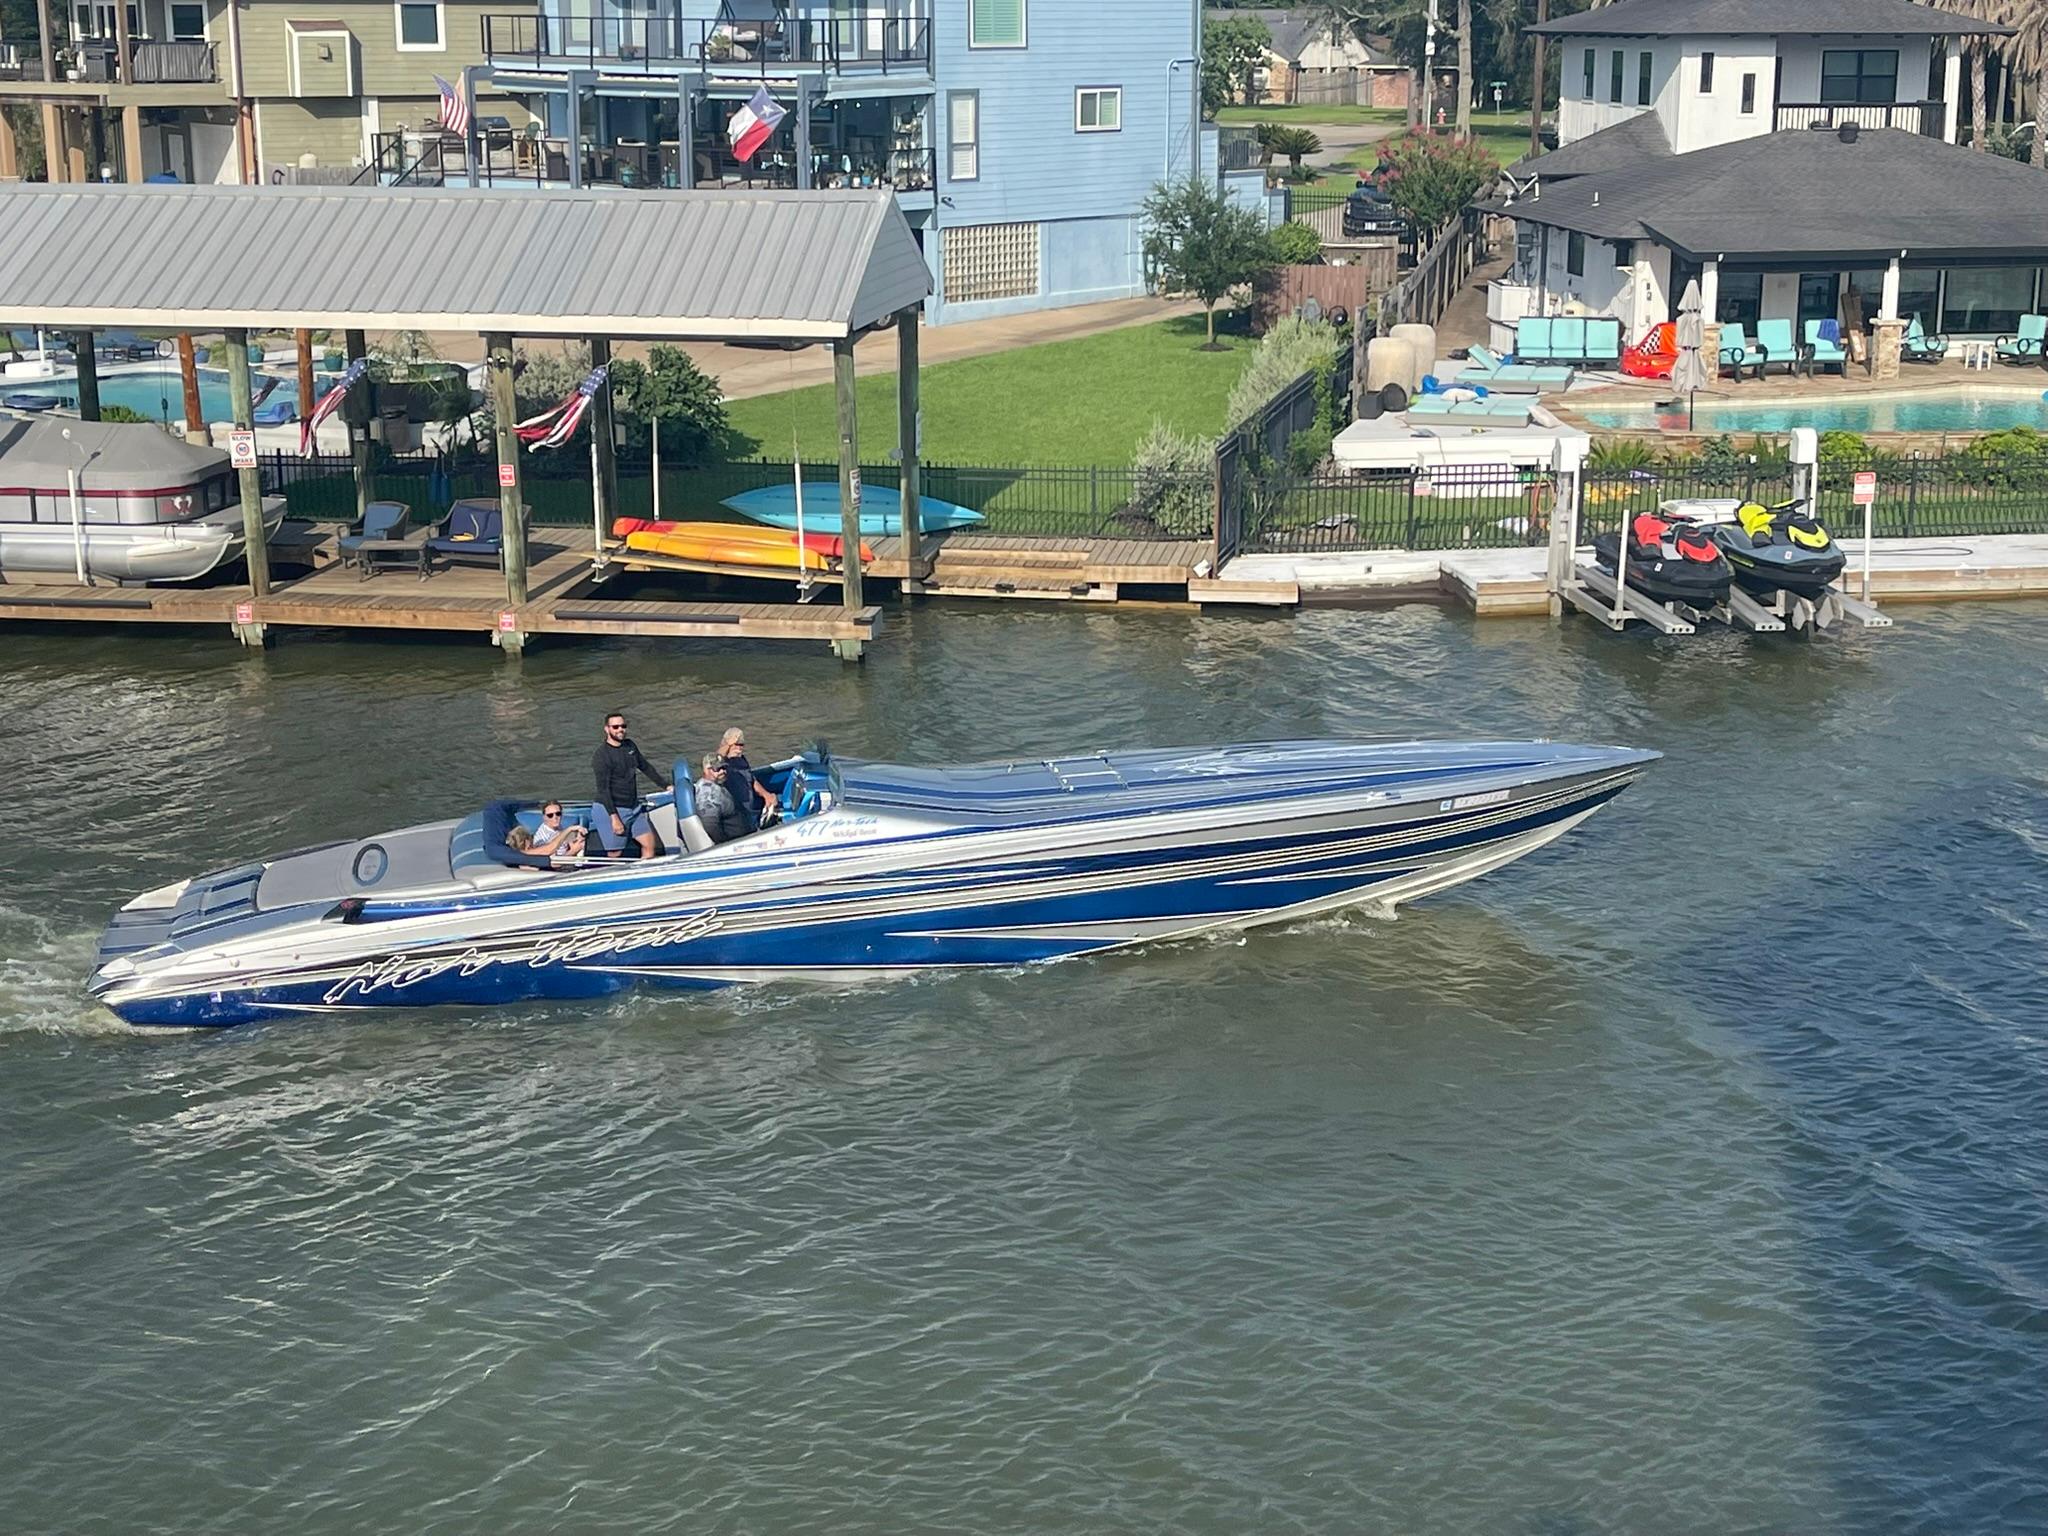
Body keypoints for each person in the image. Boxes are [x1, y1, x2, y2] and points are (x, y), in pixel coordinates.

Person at [591, 710, 671, 859]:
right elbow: (603, 790)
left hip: (633, 807)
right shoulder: (601, 756)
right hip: (613, 809)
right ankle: (612, 880)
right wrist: (614, 819)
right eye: (615, 727)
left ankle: (644, 875)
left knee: (649, 844)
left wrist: (666, 786)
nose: (620, 729)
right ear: (607, 729)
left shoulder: (630, 746)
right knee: (615, 853)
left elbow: (645, 766)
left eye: (623, 726)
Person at [718, 727, 779, 832]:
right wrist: (728, 744)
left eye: (741, 745)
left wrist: (766, 795)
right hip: (736, 817)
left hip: (750, 812)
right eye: (736, 744)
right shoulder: (721, 765)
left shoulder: (741, 760)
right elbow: (717, 758)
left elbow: (751, 780)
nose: (739, 748)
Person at [693, 752, 750, 844]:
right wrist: (725, 844)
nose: (723, 771)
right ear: (707, 770)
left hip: (743, 836)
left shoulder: (717, 784)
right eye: (718, 769)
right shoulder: (709, 796)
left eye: (724, 768)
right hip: (735, 843)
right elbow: (710, 826)